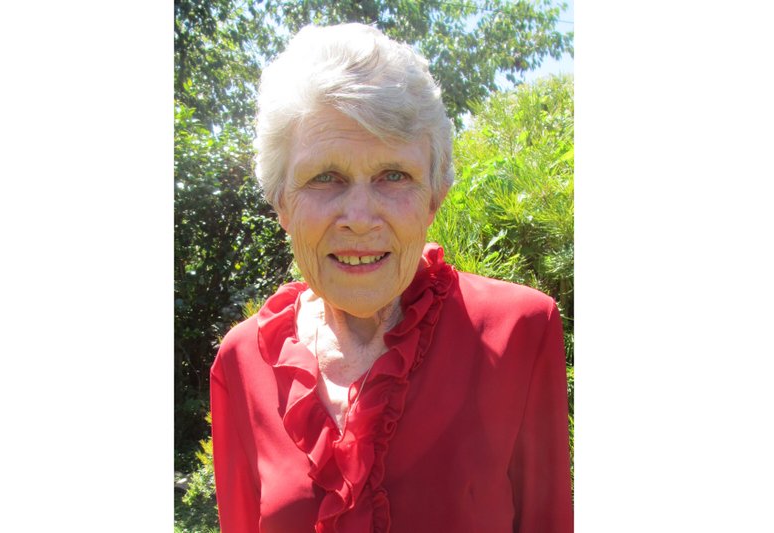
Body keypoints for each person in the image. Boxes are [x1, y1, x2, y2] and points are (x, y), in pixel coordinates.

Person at [210, 23, 572, 533]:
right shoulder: (241, 361)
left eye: (393, 175)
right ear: (281, 204)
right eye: (325, 177)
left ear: (434, 197)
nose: (360, 215)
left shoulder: (520, 331)